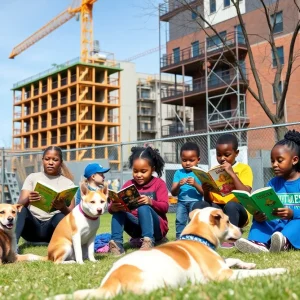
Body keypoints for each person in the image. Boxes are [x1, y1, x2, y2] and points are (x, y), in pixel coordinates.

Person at [235, 130, 300, 253]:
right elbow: (267, 206)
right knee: (263, 221)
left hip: (295, 226)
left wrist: (292, 213)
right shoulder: (273, 183)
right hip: (278, 226)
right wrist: (259, 215)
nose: (274, 164)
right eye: (272, 161)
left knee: (297, 223)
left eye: (279, 160)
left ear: (294, 160)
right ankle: (258, 243)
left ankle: (283, 242)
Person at [192, 134, 253, 247]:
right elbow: (208, 200)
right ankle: (198, 236)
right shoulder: (214, 171)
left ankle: (230, 239)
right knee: (199, 204)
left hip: (238, 212)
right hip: (219, 209)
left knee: (231, 205)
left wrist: (232, 174)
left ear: (236, 153)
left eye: (227, 154)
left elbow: (246, 193)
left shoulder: (244, 168)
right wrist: (206, 190)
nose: (222, 158)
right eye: (219, 155)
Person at [108, 146, 169, 256]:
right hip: (136, 228)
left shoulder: (159, 184)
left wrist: (150, 202)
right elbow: (115, 204)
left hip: (157, 229)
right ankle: (117, 244)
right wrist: (113, 207)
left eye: (143, 171)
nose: (139, 175)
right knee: (119, 211)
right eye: (135, 171)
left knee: (143, 206)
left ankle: (148, 241)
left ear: (152, 169)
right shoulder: (129, 184)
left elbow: (165, 207)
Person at [16, 146, 76, 245]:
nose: (50, 162)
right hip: (31, 229)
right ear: (43, 160)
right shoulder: (32, 177)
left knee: (60, 216)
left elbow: (73, 215)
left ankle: (65, 246)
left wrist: (63, 208)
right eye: (47, 159)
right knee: (22, 209)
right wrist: (28, 199)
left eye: (55, 160)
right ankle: (12, 246)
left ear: (60, 162)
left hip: (52, 232)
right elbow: (18, 206)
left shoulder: (68, 183)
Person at [171, 142, 203, 239]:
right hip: (181, 203)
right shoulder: (178, 173)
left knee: (194, 220)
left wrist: (195, 184)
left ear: (198, 160)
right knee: (180, 220)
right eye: (184, 160)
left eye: (191, 160)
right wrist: (178, 185)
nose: (188, 163)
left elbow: (204, 192)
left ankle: (195, 238)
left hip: (196, 202)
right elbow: (173, 192)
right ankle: (179, 238)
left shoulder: (201, 173)